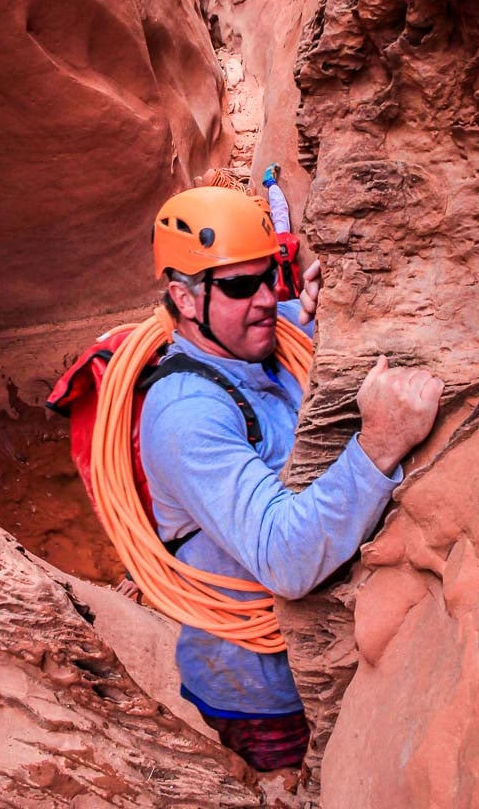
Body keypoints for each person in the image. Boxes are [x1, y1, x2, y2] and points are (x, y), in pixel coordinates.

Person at [140, 185, 443, 771]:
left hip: (322, 645)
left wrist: (327, 302)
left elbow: (297, 315)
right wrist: (378, 445)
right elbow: (286, 559)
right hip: (260, 689)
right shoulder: (185, 416)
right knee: (299, 778)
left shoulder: (272, 328)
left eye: (268, 276)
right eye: (237, 285)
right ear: (184, 298)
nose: (263, 299)